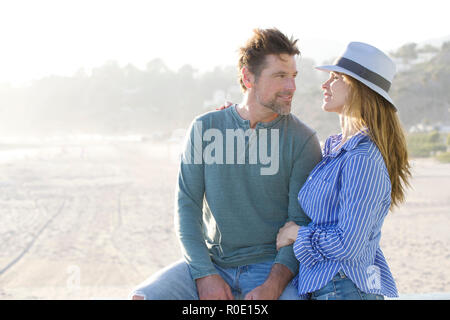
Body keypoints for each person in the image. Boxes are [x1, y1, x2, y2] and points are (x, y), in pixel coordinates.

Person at [129, 28, 322, 300]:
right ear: (248, 77)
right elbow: (187, 207)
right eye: (280, 76)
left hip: (270, 268)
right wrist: (204, 274)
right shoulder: (205, 128)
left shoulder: (303, 140)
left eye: (293, 77)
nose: (291, 87)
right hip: (213, 263)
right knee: (142, 298)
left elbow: (298, 222)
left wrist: (273, 286)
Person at [276, 42, 412, 300]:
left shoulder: (362, 158)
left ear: (359, 89)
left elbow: (349, 244)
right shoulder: (337, 151)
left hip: (344, 289)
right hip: (330, 288)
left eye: (336, 78)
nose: (325, 85)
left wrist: (297, 234)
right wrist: (240, 118)